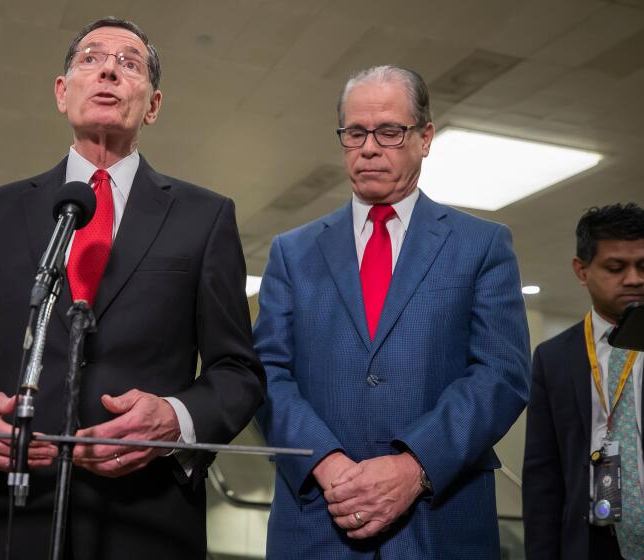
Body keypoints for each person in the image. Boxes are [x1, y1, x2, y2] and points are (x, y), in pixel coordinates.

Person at [0, 17, 265, 560]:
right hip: (4, 517)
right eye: (91, 59)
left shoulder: (206, 217)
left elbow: (237, 372)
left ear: (153, 105)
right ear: (62, 91)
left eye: (129, 64)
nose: (107, 70)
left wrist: (177, 418)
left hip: (143, 523)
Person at [253, 64, 531, 559]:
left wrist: (412, 467)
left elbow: (501, 374)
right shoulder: (292, 253)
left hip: (440, 521)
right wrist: (329, 463)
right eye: (355, 132)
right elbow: (266, 373)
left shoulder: (482, 245)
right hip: (319, 519)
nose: (369, 147)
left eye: (389, 131)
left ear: (425, 138)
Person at [523, 203, 644, 560]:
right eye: (616, 267)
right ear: (582, 270)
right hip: (591, 541)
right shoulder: (554, 358)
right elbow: (542, 477)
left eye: (643, 266)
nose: (635, 278)